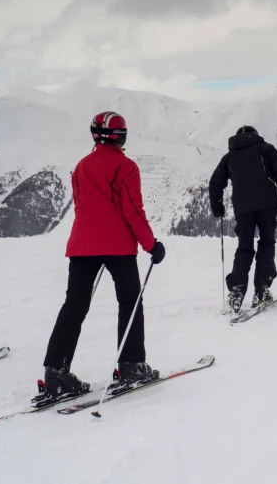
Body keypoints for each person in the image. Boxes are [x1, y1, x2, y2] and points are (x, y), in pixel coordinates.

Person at [40, 112, 166, 397]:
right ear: (120, 136)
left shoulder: (81, 166)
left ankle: (55, 372)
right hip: (118, 247)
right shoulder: (126, 167)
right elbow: (132, 211)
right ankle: (131, 364)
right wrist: (151, 245)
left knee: (75, 305)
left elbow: (82, 206)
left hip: (82, 246)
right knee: (130, 302)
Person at [209, 125, 277, 313]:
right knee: (267, 243)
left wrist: (217, 206)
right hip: (267, 206)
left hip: (243, 209)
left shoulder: (229, 157)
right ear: (255, 135)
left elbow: (215, 183)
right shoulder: (267, 149)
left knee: (244, 248)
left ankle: (237, 290)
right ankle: (262, 289)